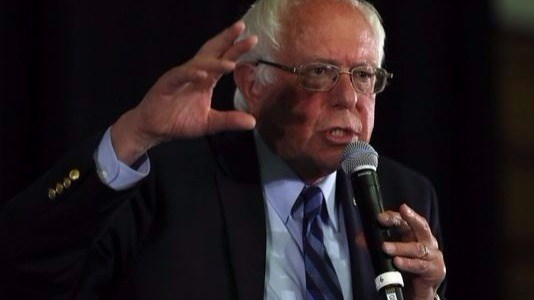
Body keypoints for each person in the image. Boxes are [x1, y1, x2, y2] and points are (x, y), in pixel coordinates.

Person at [0, 0, 446, 299]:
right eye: (320, 72)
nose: (348, 98)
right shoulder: (166, 182)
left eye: (365, 75)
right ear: (254, 84)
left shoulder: (402, 192)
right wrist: (134, 134)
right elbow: (25, 265)